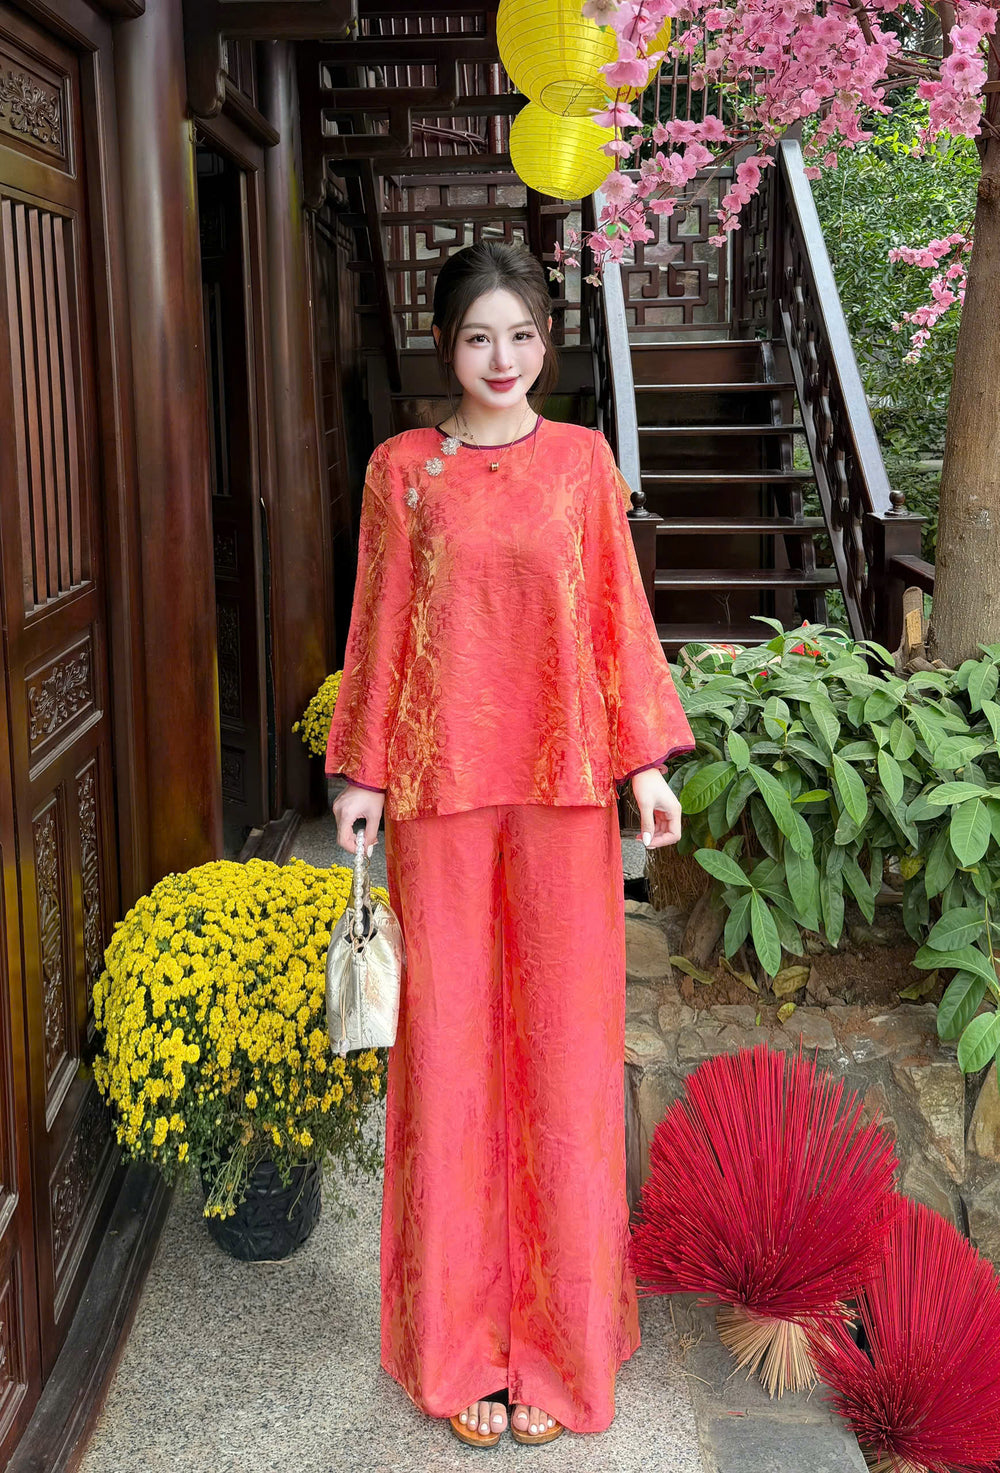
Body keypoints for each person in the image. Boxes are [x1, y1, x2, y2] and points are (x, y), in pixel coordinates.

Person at [325, 241, 695, 1448]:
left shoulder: (582, 462)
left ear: (546, 342)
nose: (502, 358)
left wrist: (645, 767)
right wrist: (360, 774)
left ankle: (554, 1345)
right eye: (480, 336)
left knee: (565, 1062)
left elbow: (614, 617)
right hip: (439, 794)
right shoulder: (402, 470)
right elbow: (380, 620)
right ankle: (461, 1346)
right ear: (446, 343)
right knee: (450, 1065)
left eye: (522, 336)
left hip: (564, 790)